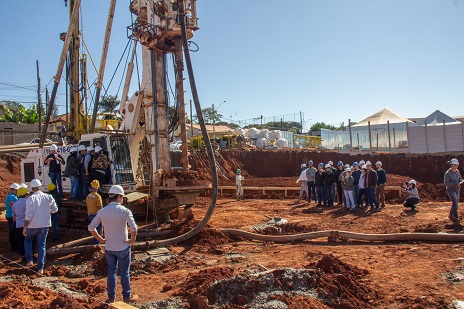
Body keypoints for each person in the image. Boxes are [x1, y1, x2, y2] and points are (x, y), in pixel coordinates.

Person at [88, 185, 138, 303]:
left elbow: (91, 228)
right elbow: (134, 227)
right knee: (125, 272)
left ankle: (111, 297)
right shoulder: (124, 211)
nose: (122, 199)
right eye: (122, 197)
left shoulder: (102, 212)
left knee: (111, 273)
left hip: (109, 247)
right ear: (119, 196)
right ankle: (126, 296)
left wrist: (101, 239)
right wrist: (132, 240)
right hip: (123, 247)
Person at [23, 179, 58, 275]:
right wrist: (47, 212)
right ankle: (40, 268)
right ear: (40, 187)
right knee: (41, 245)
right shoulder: (48, 197)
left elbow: (28, 215)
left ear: (32, 189)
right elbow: (55, 210)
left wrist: (25, 227)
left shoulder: (30, 199)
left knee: (28, 241)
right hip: (44, 225)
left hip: (32, 225)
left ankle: (29, 260)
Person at [12, 187, 29, 260]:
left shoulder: (15, 204)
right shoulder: (27, 202)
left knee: (21, 240)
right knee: (28, 241)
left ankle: (23, 256)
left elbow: (14, 216)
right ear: (25, 194)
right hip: (27, 225)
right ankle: (29, 255)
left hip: (18, 224)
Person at [444, 158, 463, 222]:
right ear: (452, 165)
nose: (457, 166)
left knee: (455, 202)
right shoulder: (447, 173)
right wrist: (455, 184)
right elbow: (446, 183)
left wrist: (461, 181)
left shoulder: (457, 171)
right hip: (450, 190)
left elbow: (460, 178)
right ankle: (455, 216)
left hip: (457, 189)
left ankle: (451, 214)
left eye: (457, 165)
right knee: (455, 202)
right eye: (455, 165)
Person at [86, 180, 103, 244]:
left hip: (90, 214)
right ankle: (97, 244)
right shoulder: (97, 196)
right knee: (98, 231)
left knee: (93, 229)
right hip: (96, 215)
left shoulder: (88, 196)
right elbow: (100, 207)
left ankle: (95, 242)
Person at [5, 183, 19, 252]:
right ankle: (14, 247)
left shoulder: (9, 196)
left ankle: (13, 247)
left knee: (12, 231)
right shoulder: (12, 197)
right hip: (12, 216)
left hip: (9, 215)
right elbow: (12, 205)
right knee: (13, 232)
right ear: (12, 190)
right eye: (16, 190)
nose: (17, 192)